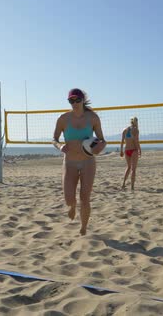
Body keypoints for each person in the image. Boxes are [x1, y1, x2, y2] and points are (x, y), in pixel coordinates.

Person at [52, 88, 106, 236]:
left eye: (77, 100)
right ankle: (72, 207)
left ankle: (83, 227)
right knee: (69, 199)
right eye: (71, 100)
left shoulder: (93, 118)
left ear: (83, 100)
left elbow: (102, 139)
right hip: (69, 162)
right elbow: (54, 139)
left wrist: (100, 146)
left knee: (85, 198)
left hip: (88, 161)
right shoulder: (63, 119)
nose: (74, 103)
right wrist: (60, 146)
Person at [119, 117, 141, 190]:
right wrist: (140, 150)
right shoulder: (136, 130)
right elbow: (136, 141)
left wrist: (121, 150)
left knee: (128, 167)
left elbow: (122, 141)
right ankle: (132, 186)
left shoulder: (125, 130)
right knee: (133, 169)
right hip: (133, 150)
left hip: (126, 150)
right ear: (136, 122)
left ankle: (123, 183)